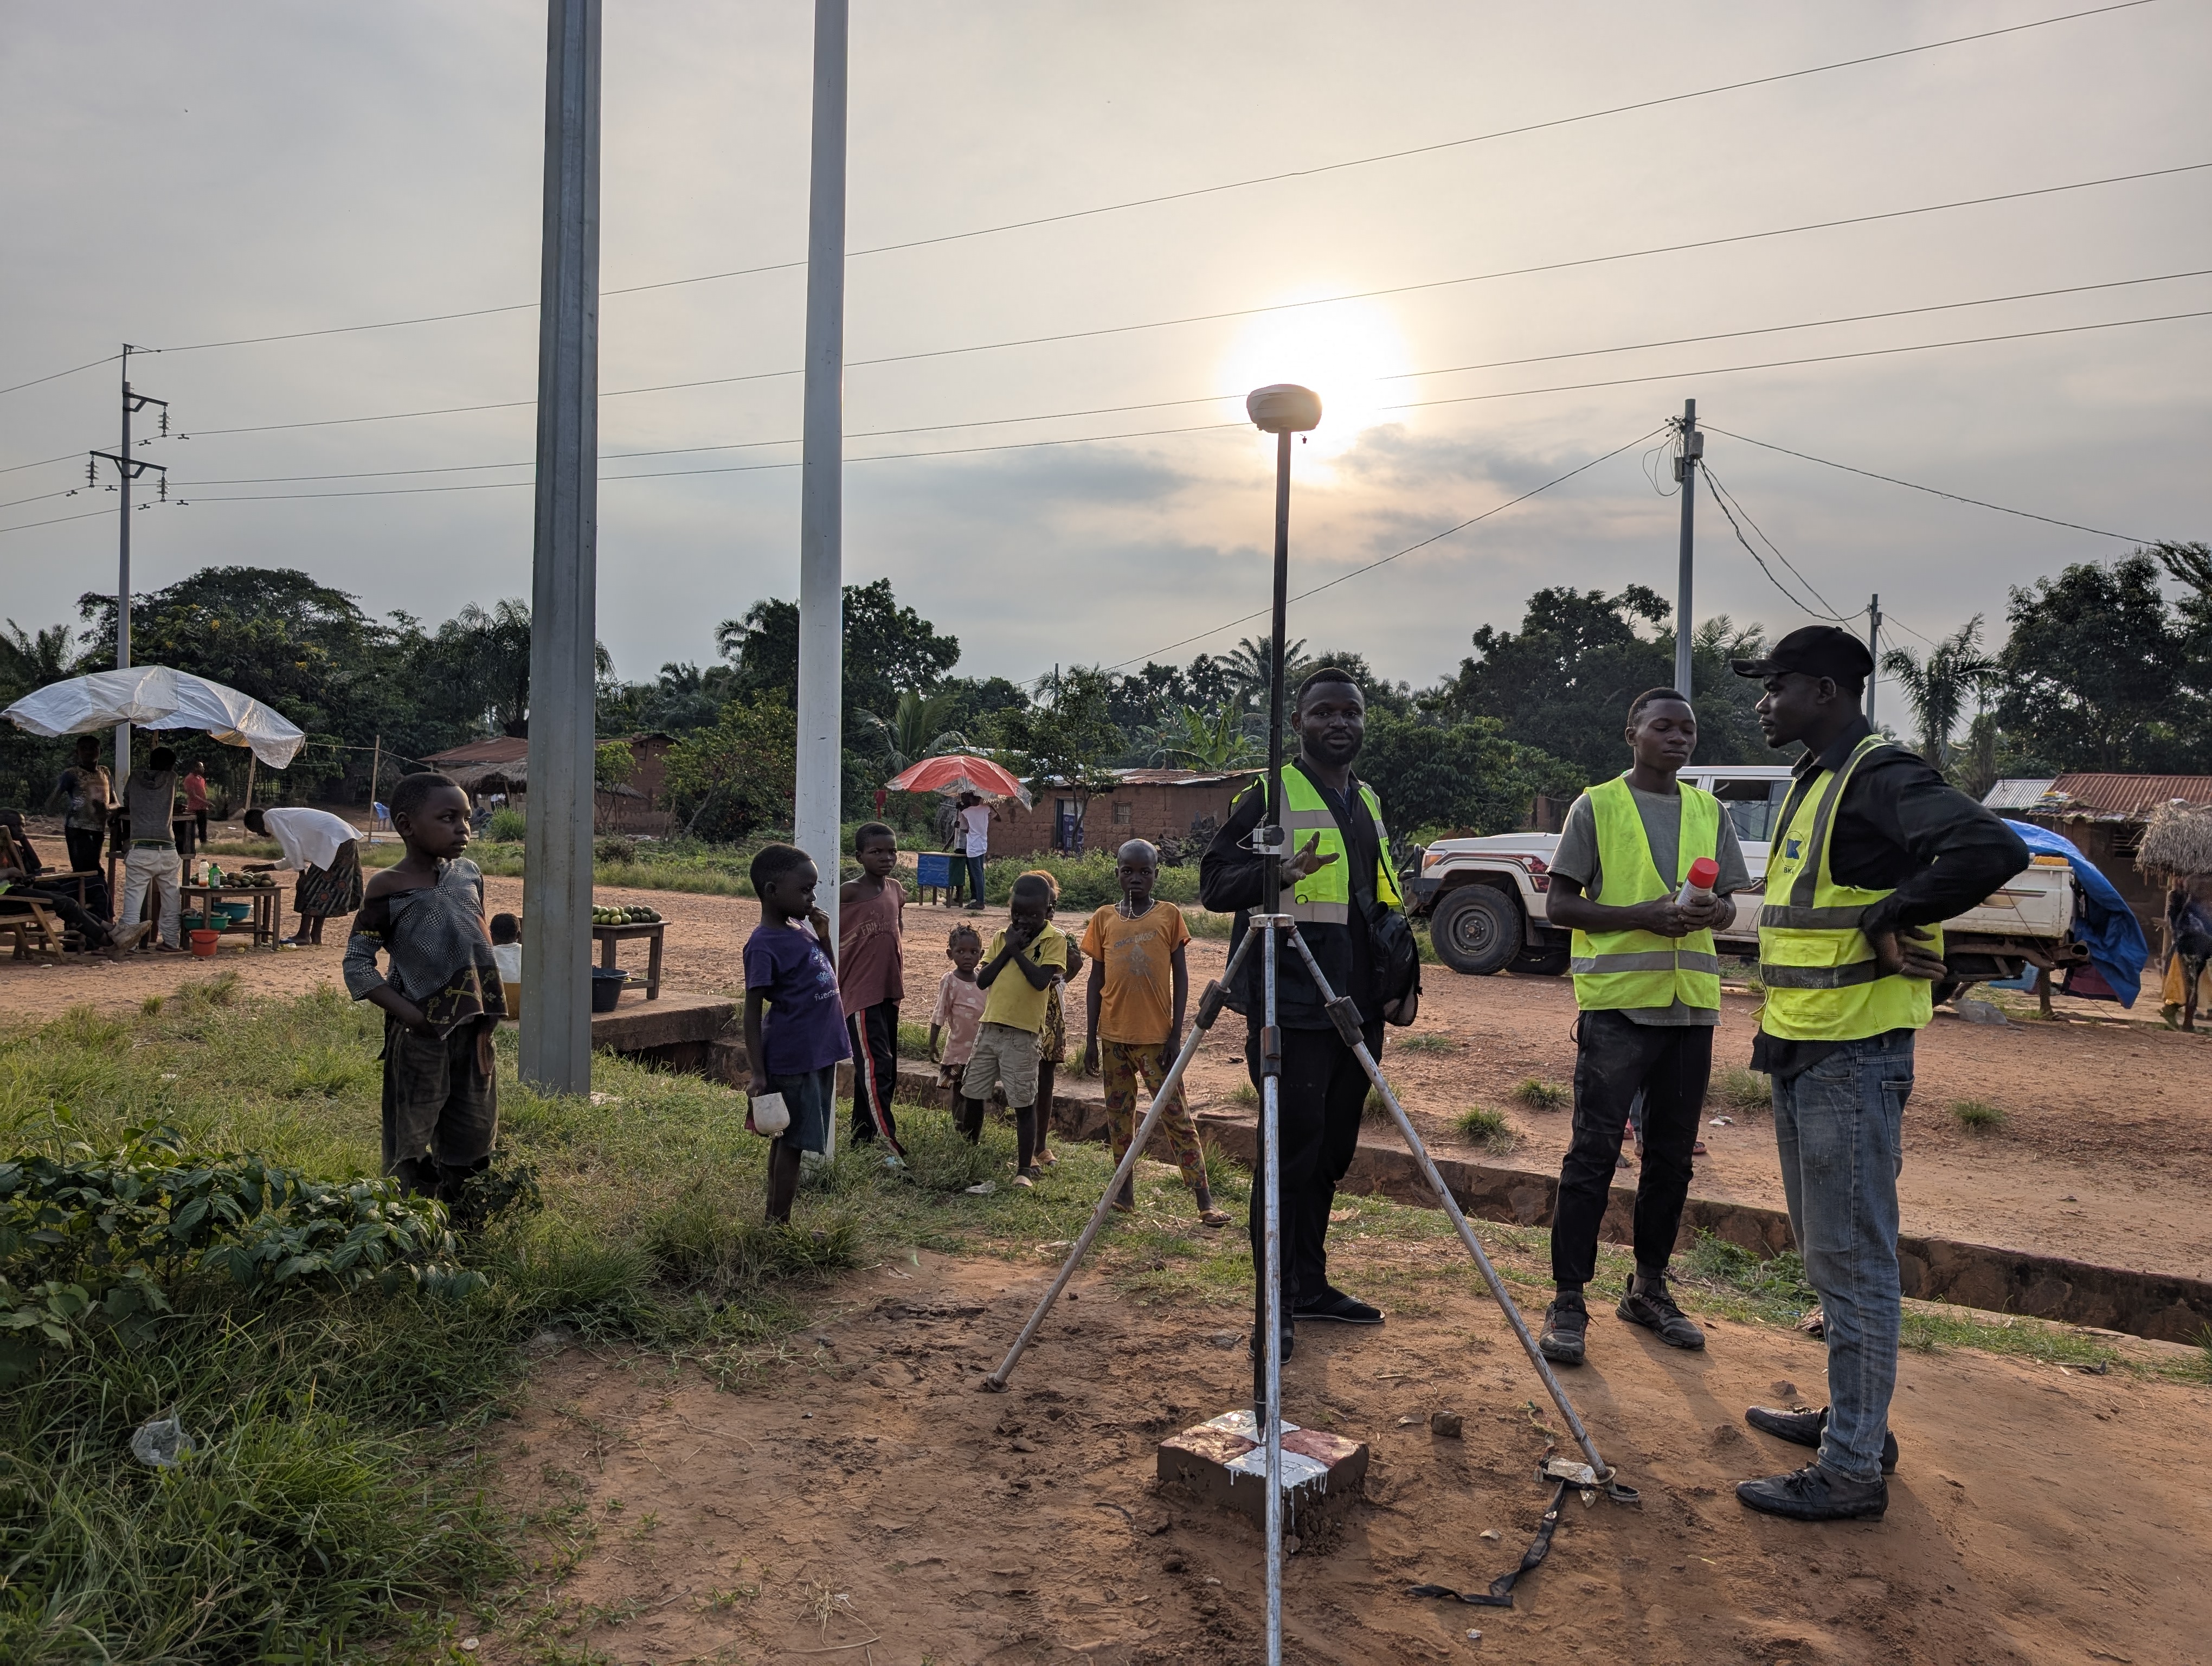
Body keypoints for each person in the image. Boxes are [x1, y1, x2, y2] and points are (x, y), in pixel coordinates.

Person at [1728, 626, 2029, 1523]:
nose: (1763, 703)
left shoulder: (1877, 775)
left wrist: (1900, 910)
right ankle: (1854, 1426)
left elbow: (1990, 848)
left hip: (1851, 1059)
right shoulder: (1816, 781)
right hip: (1804, 1045)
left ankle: (1852, 1469)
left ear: (1826, 689)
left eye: (1775, 687)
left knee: (1855, 1265)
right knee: (1832, 1258)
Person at [1200, 667, 1420, 1358]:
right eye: (1324, 712)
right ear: (1298, 723)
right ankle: (1276, 1301)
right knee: (1287, 1156)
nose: (1339, 723)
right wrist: (1278, 874)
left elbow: (1379, 898)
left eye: (1350, 712)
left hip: (1356, 1009)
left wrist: (1405, 978)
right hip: (1291, 1004)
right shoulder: (1269, 793)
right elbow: (1213, 884)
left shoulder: (1370, 801)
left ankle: (1312, 1284)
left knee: (1331, 1153)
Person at [1537, 689, 1751, 1369]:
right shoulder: (1596, 805)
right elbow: (1561, 904)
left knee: (1671, 1159)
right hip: (1619, 1009)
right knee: (1593, 1154)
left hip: (1691, 1009)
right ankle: (1569, 1298)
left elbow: (1729, 911)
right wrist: (1642, 916)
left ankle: (1649, 1288)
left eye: (1689, 728)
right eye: (1664, 726)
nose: (1678, 737)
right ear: (1632, 732)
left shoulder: (1708, 810)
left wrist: (1710, 912)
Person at [343, 773, 507, 1203]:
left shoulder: (469, 874)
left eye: (467, 818)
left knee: (473, 1136)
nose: (463, 829)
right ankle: (409, 1229)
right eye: (448, 818)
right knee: (411, 1143)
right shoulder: (387, 888)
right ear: (406, 825)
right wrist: (413, 1017)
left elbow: (475, 941)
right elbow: (358, 965)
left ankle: (466, 1227)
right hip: (421, 1039)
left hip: (474, 1035)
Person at [1081, 838, 1230, 1226]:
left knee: (1176, 1116)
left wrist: (1176, 1035)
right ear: (1117, 873)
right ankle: (1124, 1194)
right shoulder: (1102, 919)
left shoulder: (1169, 916)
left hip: (1156, 1040)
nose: (1136, 878)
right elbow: (1095, 978)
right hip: (1113, 1037)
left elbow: (1181, 977)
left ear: (1156, 875)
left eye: (1144, 872)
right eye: (1128, 871)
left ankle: (1204, 1199)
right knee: (1119, 1118)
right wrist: (1089, 1039)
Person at [743, 843, 850, 1225]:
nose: (813, 897)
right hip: (793, 1056)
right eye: (804, 889)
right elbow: (752, 1013)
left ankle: (776, 1221)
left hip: (817, 1052)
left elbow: (829, 978)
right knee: (791, 1145)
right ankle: (779, 1226)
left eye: (813, 889)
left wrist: (823, 937)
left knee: (787, 1140)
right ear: (773, 891)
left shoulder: (800, 931)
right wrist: (758, 1073)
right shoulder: (764, 945)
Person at [959, 873, 1066, 1186]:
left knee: (1023, 1101)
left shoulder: (1053, 939)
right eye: (1017, 913)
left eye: (1033, 914)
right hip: (990, 1028)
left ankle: (1023, 1168)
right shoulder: (1000, 938)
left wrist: (1017, 950)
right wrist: (1008, 948)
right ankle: (968, 1150)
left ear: (1048, 912)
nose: (1024, 920)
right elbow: (982, 980)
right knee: (973, 1093)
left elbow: (1040, 981)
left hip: (1023, 1033)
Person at [840, 822, 907, 1161]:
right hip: (859, 992)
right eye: (876, 852)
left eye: (891, 851)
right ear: (859, 856)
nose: (886, 858)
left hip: (887, 990)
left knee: (885, 1068)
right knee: (874, 1066)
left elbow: (896, 926)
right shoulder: (847, 893)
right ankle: (887, 1142)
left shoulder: (895, 889)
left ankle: (862, 1136)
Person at [1017, 868, 1084, 1169]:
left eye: (1052, 904)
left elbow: (1064, 975)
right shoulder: (1015, 936)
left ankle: (1040, 1145)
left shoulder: (1058, 940)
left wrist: (1069, 972)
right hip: (1023, 1012)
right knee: (1024, 1080)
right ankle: (1027, 1148)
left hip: (1052, 1012)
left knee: (1046, 1078)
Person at [245, 804, 365, 946]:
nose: (260, 834)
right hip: (342, 838)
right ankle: (315, 936)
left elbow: (292, 845)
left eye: (257, 830)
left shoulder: (271, 817)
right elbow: (293, 856)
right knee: (322, 890)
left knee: (309, 887)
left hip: (335, 840)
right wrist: (262, 868)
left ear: (259, 822)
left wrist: (302, 874)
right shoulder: (282, 817)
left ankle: (303, 935)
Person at [119, 745, 184, 952]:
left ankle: (129, 944)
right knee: (171, 898)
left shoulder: (135, 778)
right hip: (167, 849)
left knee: (133, 900)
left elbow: (128, 802)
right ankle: (172, 942)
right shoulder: (172, 779)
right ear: (171, 766)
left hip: (140, 848)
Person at [47, 735, 114, 918]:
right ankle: (90, 918)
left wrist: (106, 809)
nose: (89, 752)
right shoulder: (71, 774)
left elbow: (114, 802)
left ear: (100, 751)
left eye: (93, 748)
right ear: (77, 752)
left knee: (93, 872)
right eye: (84, 749)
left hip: (98, 829)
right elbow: (52, 802)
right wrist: (74, 808)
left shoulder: (105, 772)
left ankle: (93, 916)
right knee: (87, 873)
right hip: (77, 829)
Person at [928, 922, 988, 1105]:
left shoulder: (986, 979)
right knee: (958, 1091)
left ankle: (971, 1130)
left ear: (982, 954)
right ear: (950, 954)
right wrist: (932, 1044)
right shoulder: (950, 981)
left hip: (981, 1051)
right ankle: (959, 1128)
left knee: (977, 1092)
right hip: (957, 1049)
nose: (968, 957)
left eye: (973, 952)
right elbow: (940, 1013)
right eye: (961, 952)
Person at [2160, 882, 2212, 1029]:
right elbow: (2199, 931)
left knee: (2187, 986)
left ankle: (2171, 1012)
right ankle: (2187, 1023)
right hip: (2191, 951)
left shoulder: (2190, 908)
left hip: (2190, 950)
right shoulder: (2192, 909)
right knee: (2191, 988)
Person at [956, 791, 994, 912]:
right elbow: (997, 817)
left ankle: (980, 902)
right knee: (980, 874)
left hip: (972, 847)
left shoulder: (965, 812)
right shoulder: (986, 808)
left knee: (976, 875)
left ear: (970, 798)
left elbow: (965, 830)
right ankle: (980, 899)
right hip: (983, 845)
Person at [183, 761, 210, 844]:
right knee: (191, 830)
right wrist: (206, 802)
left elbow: (202, 793)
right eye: (201, 767)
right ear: (196, 768)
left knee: (203, 829)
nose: (203, 769)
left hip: (202, 808)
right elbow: (193, 795)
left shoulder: (201, 779)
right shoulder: (189, 779)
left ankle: (204, 845)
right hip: (194, 809)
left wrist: (206, 803)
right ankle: (189, 846)